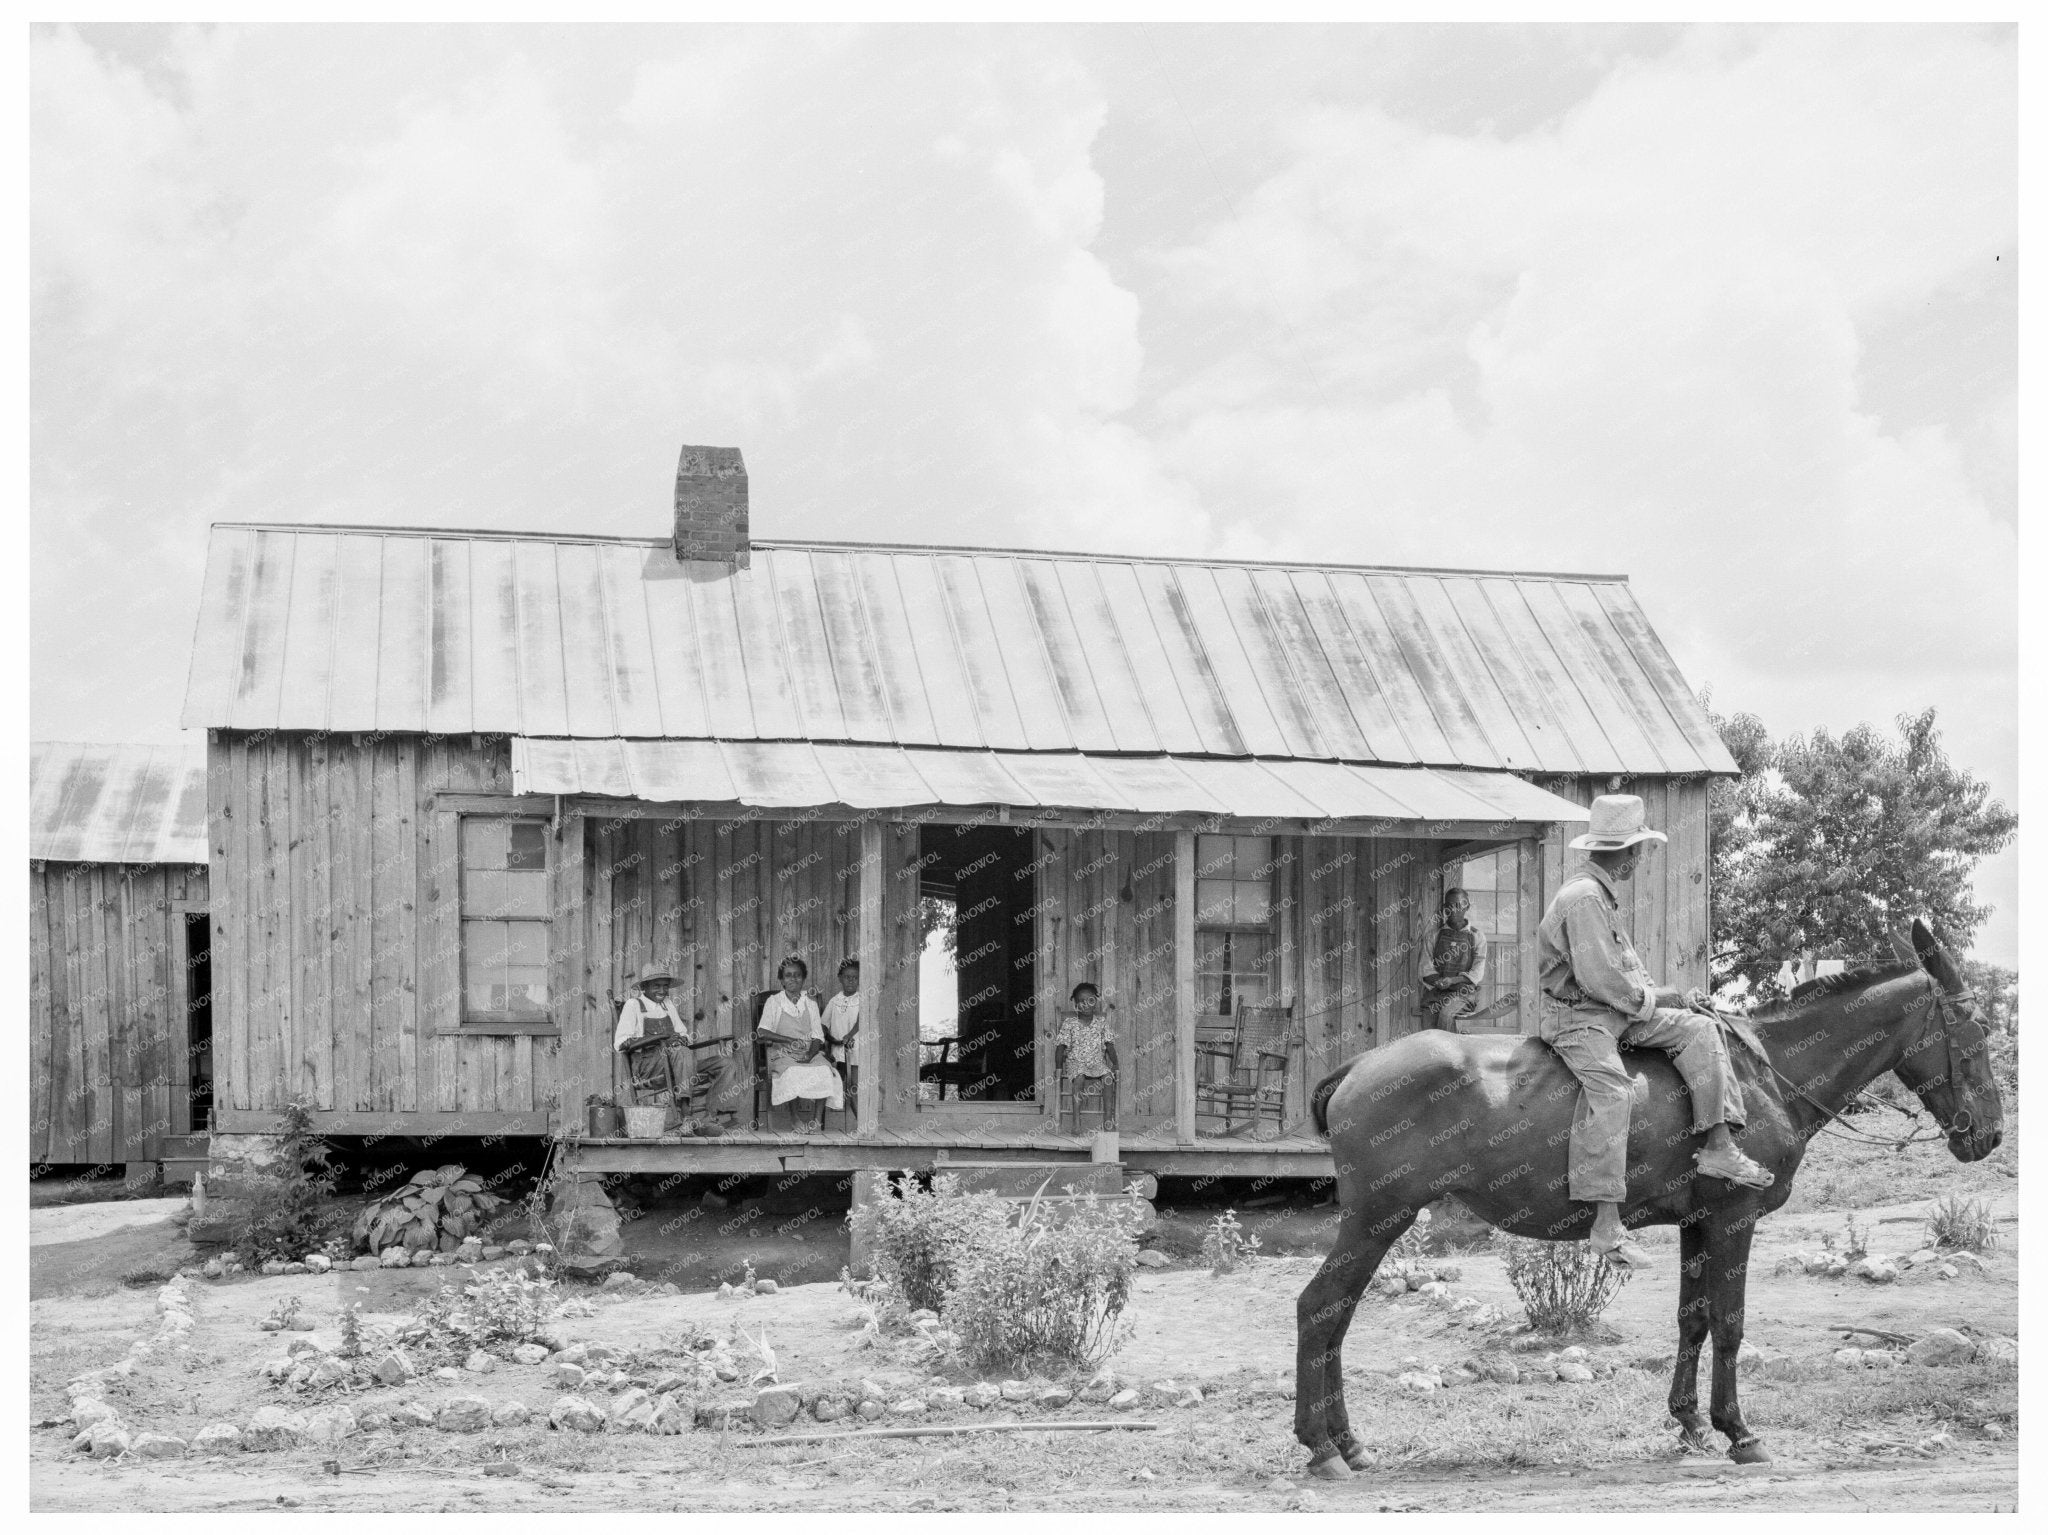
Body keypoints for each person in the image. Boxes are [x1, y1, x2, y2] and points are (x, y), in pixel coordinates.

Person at [1536, 795, 1773, 1270]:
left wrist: (1676, 999)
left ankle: (1719, 1147)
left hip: (1614, 1011)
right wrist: (1662, 997)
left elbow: (1625, 977)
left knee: (1700, 1029)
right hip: (1579, 1019)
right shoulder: (1584, 899)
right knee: (1614, 1093)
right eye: (1638, 849)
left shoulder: (1599, 895)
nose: (1640, 858)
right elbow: (1602, 980)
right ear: (1624, 852)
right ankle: (1606, 1225)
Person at [613, 962, 742, 1137]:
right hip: (648, 1066)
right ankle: (686, 1115)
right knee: (681, 1052)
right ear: (644, 987)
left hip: (679, 1064)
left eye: (665, 986)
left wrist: (681, 1039)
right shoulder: (633, 1005)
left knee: (725, 1063)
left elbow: (683, 1034)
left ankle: (711, 1118)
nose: (662, 990)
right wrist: (663, 1040)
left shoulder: (667, 1005)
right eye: (656, 986)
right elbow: (621, 1043)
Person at [755, 956, 842, 1132]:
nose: (793, 979)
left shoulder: (810, 1004)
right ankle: (795, 1118)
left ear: (803, 978)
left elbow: (817, 1036)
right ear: (782, 980)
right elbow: (762, 1032)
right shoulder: (774, 1002)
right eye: (788, 975)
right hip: (782, 1053)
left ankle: (816, 1121)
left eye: (797, 975)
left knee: (825, 1071)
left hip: (809, 1052)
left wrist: (809, 1055)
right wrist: (789, 1040)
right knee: (793, 1072)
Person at [1053, 981, 1119, 1132]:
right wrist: (1058, 1069)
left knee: (1108, 1078)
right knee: (1079, 1077)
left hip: (1097, 1063)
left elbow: (1109, 1046)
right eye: (1081, 1002)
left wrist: (1115, 1064)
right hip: (1076, 1063)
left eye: (1090, 1000)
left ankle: (1108, 1121)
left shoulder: (1101, 1023)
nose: (1086, 1005)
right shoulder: (1069, 1023)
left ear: (1095, 1002)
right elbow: (1060, 1047)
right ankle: (1076, 1123)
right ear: (1075, 1004)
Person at [1420, 887, 1487, 1030]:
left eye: (1458, 905)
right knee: (1428, 1026)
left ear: (1467, 907)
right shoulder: (1433, 936)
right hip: (1437, 994)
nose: (1453, 910)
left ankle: (1448, 1046)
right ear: (1445, 908)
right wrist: (1440, 982)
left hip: (1464, 994)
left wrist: (1453, 981)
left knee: (1446, 1015)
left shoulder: (1477, 936)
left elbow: (1477, 973)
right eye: (1449, 906)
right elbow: (1425, 969)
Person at [821, 958, 861, 1109]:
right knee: (837, 1085)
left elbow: (861, 1021)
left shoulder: (862, 999)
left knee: (854, 1086)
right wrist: (827, 1040)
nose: (851, 980)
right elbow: (823, 1023)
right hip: (837, 1050)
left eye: (855, 977)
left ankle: (861, 1120)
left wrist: (849, 1035)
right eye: (847, 977)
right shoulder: (835, 1000)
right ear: (840, 978)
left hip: (856, 1050)